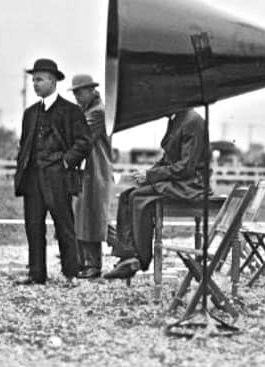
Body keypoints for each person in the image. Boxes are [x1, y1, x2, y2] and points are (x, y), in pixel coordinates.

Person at [104, 108, 208, 280]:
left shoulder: (192, 121)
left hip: (191, 184)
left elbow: (186, 167)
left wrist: (151, 176)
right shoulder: (177, 119)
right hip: (178, 181)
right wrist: (147, 174)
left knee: (138, 198)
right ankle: (126, 255)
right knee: (125, 196)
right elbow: (166, 160)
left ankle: (140, 259)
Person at [14, 59, 92, 285]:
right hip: (32, 180)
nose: (35, 84)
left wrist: (66, 163)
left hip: (58, 178)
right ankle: (36, 274)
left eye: (39, 79)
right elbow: (24, 144)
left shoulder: (71, 111)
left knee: (64, 226)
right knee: (33, 227)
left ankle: (71, 274)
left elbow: (85, 142)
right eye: (33, 80)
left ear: (52, 80)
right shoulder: (30, 113)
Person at [69, 74, 114, 279]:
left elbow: (80, 136)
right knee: (82, 216)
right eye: (75, 93)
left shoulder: (98, 113)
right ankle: (82, 262)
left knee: (93, 217)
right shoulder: (88, 110)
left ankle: (94, 263)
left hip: (96, 171)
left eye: (80, 92)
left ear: (91, 90)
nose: (77, 96)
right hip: (87, 172)